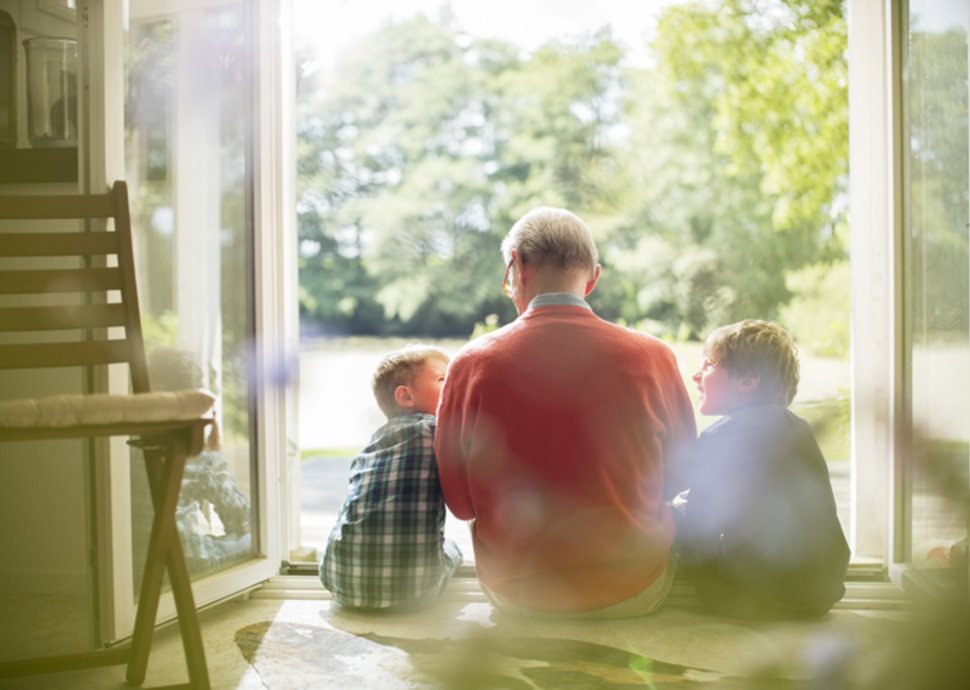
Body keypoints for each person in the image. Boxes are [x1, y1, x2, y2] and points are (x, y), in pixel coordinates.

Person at [435, 207, 697, 618]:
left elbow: (461, 505)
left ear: (516, 267)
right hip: (633, 590)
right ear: (593, 278)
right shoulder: (654, 358)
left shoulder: (471, 364)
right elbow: (680, 479)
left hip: (518, 595)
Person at [676, 319, 850, 619]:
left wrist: (675, 514)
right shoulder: (801, 430)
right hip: (822, 594)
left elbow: (696, 541)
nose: (695, 375)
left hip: (749, 598)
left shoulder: (719, 436)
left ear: (747, 381)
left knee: (668, 519)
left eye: (708, 365)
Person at [320, 344, 462, 611]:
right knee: (453, 549)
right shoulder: (436, 430)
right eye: (444, 379)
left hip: (340, 582)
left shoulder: (373, 444)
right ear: (406, 397)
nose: (454, 385)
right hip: (413, 593)